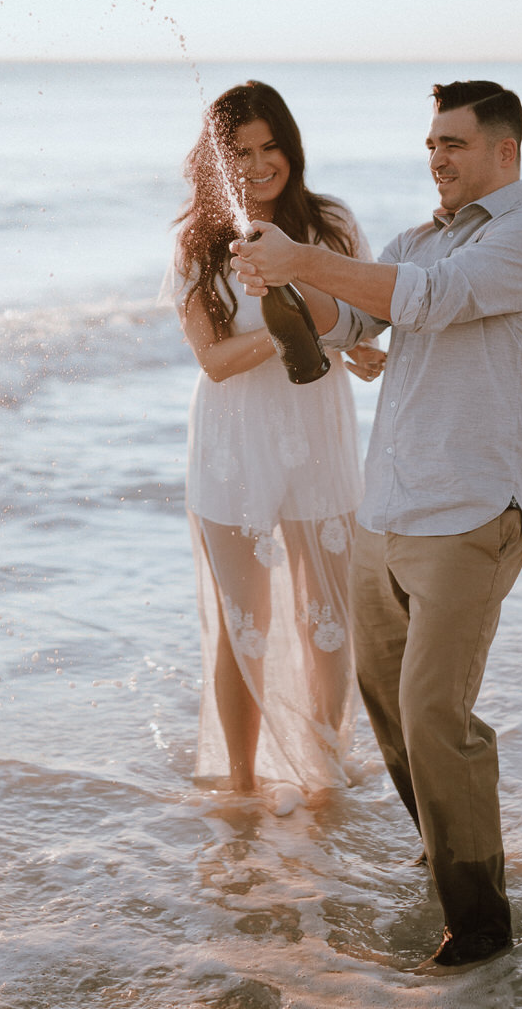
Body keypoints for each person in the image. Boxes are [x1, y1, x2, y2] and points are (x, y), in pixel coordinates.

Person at [231, 80, 522, 970]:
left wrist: (302, 257)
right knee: (388, 712)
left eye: (453, 144)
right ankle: (447, 843)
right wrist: (277, 279)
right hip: (384, 513)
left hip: (471, 515)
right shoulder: (412, 240)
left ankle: (481, 923)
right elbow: (354, 318)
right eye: (430, 144)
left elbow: (425, 299)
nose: (436, 158)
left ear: (504, 151)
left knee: (434, 715)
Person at [172, 80, 385, 813]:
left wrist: (348, 344)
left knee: (326, 618)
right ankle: (239, 782)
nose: (261, 165)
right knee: (246, 624)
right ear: (217, 161)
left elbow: (359, 318)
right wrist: (284, 326)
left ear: (291, 149)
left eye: (272, 148)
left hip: (316, 430)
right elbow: (212, 359)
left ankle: (323, 771)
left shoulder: (328, 224)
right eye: (242, 152)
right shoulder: (198, 244)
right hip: (233, 443)